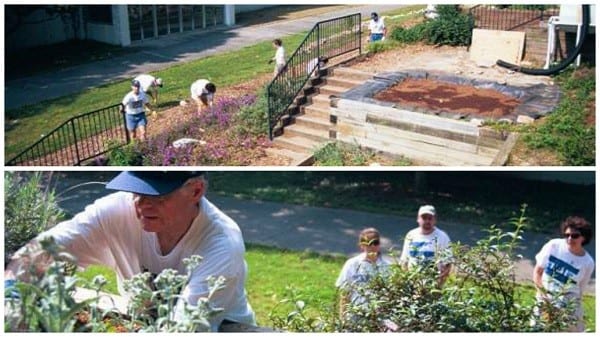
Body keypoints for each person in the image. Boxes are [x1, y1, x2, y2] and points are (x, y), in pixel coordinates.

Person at [4, 171, 256, 331]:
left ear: (196, 190)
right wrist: (11, 298)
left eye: (157, 196)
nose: (142, 204)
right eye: (137, 192)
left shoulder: (221, 244)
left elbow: (184, 329)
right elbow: (44, 249)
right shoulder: (115, 211)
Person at [532, 216, 595, 332]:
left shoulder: (588, 262)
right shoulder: (554, 245)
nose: (570, 238)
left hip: (568, 304)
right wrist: (543, 294)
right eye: (567, 235)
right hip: (545, 298)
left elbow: (580, 289)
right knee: (537, 329)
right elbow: (537, 272)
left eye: (575, 236)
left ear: (583, 238)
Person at [336, 228, 392, 320]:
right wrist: (343, 318)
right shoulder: (352, 264)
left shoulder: (388, 266)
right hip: (356, 314)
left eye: (375, 243)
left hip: (380, 315)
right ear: (361, 245)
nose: (372, 246)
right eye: (368, 243)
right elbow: (345, 293)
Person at [399, 205, 452, 285]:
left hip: (433, 285)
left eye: (430, 218)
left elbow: (447, 264)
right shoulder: (411, 235)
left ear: (435, 220)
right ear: (418, 219)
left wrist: (439, 285)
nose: (427, 221)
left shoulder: (443, 237)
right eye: (424, 218)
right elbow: (404, 261)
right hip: (413, 283)